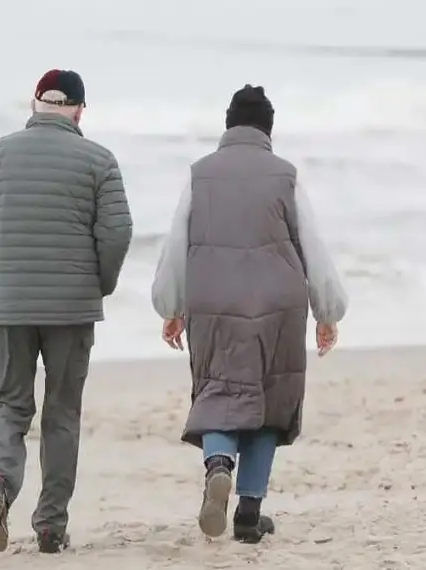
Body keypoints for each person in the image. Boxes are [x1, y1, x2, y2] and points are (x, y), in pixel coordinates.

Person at [151, 84, 348, 544]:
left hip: (212, 300)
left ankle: (218, 465)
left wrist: (171, 305)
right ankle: (249, 512)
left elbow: (176, 243)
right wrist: (327, 311)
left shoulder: (200, 175)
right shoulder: (286, 176)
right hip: (277, 305)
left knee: (220, 391)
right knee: (269, 402)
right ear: (268, 129)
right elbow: (312, 246)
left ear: (228, 125)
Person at [0, 69, 133, 554]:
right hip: (72, 309)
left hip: (10, 306)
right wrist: (100, 284)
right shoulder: (99, 160)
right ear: (79, 110)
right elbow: (118, 233)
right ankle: (50, 526)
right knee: (62, 413)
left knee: (8, 406)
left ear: (34, 104)